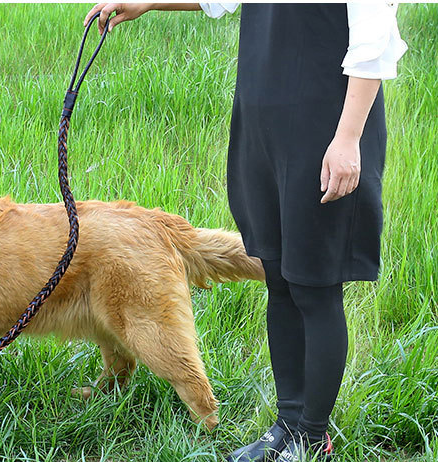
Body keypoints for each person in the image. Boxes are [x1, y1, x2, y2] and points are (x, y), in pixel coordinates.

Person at [83, 3, 407, 461]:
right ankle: (287, 424)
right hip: (264, 130)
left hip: (325, 131)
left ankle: (313, 438)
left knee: (313, 287)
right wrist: (149, 2)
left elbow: (373, 42)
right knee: (278, 279)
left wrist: (348, 140)